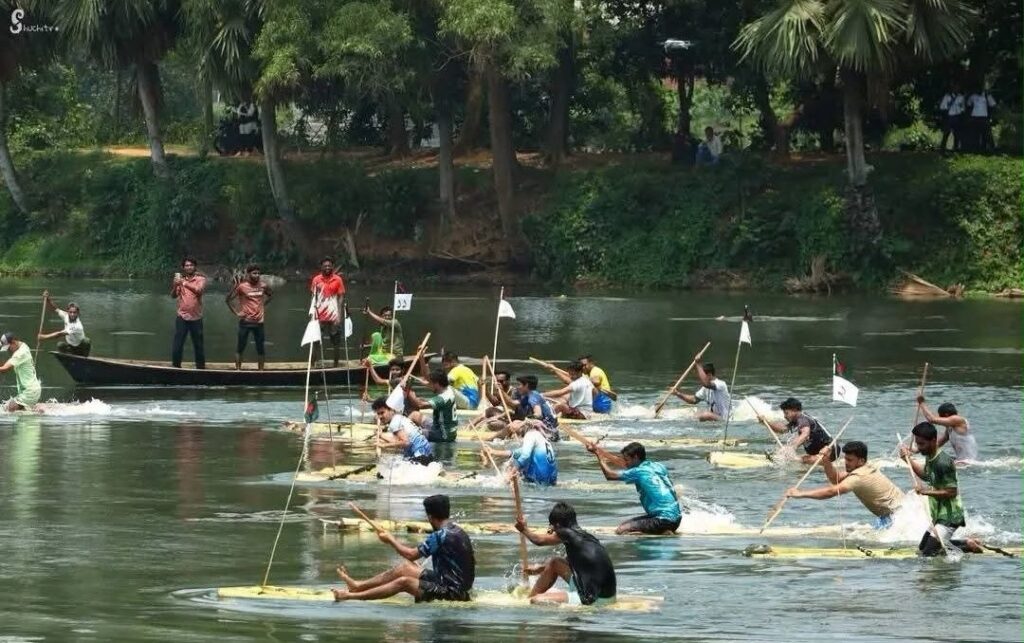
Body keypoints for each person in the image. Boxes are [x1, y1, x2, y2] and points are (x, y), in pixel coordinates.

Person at [332, 495, 475, 602]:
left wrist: (390, 540)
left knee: (404, 582)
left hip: (453, 592)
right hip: (449, 582)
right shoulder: (458, 531)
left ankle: (351, 596)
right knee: (405, 568)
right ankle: (358, 585)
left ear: (430, 517)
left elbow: (411, 554)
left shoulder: (440, 535)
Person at [515, 502, 616, 606]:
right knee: (555, 562)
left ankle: (531, 600)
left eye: (552, 528)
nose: (551, 531)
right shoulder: (586, 538)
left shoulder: (566, 532)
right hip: (607, 595)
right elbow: (571, 562)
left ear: (558, 525)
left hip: (594, 599)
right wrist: (539, 569)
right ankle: (530, 597)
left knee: (536, 601)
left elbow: (539, 541)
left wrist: (523, 529)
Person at [785, 441, 904, 529]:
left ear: (861, 461)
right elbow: (835, 479)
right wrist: (826, 460)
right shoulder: (866, 466)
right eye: (845, 459)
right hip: (897, 512)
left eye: (850, 460)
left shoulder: (858, 477)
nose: (846, 463)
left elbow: (832, 491)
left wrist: (800, 494)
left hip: (900, 516)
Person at [901, 422, 976, 557]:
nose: (919, 447)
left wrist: (925, 491)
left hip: (950, 515)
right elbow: (926, 475)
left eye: (922, 444)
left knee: (928, 553)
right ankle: (967, 543)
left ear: (934, 440)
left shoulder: (943, 462)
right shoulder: (931, 457)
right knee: (923, 548)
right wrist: (907, 460)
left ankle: (968, 547)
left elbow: (951, 492)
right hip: (939, 514)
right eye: (917, 443)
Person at [588, 441, 681, 534]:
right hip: (676, 518)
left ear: (636, 457)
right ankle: (663, 529)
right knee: (625, 524)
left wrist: (597, 454)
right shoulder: (658, 466)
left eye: (627, 460)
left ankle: (663, 532)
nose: (625, 463)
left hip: (663, 519)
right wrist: (599, 452)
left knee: (621, 530)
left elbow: (609, 475)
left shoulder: (638, 472)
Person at [762, 397, 838, 464]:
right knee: (802, 459)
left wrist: (791, 448)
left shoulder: (803, 419)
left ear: (794, 410)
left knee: (802, 460)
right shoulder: (796, 421)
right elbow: (783, 429)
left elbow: (805, 434)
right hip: (819, 453)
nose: (785, 416)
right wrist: (766, 423)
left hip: (830, 451)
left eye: (786, 413)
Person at [482, 418, 557, 485]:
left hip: (539, 479)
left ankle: (504, 481)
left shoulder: (531, 434)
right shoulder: (540, 439)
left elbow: (525, 456)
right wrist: (493, 452)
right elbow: (516, 453)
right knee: (516, 459)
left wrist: (511, 473)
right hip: (551, 480)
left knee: (515, 463)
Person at [225, 264, 272, 370]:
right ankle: (238, 370)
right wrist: (236, 312)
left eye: (258, 273)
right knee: (240, 347)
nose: (257, 275)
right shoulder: (242, 287)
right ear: (248, 274)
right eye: (254, 273)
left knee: (260, 348)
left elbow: (270, 295)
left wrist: (262, 305)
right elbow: (228, 300)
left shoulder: (263, 285)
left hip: (259, 322)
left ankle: (261, 371)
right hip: (245, 322)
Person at [372, 397, 433, 465]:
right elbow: (398, 441)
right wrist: (381, 435)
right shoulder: (398, 418)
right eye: (378, 414)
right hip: (427, 455)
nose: (380, 416)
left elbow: (406, 442)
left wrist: (384, 445)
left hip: (420, 457)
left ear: (391, 410)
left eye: (382, 413)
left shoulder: (395, 423)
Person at [171, 257, 207, 369]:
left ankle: (200, 368)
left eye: (191, 265)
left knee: (198, 346)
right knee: (177, 345)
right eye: (186, 265)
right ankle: (176, 367)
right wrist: (176, 285)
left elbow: (199, 290)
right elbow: (173, 296)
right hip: (182, 317)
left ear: (195, 267)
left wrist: (184, 283)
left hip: (196, 318)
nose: (189, 267)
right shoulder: (181, 280)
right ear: (183, 268)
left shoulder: (200, 279)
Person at [918, 397, 977, 464]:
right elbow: (938, 443)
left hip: (968, 462)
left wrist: (922, 403)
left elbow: (932, 419)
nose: (940, 419)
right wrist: (916, 450)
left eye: (941, 417)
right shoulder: (950, 428)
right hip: (960, 460)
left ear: (946, 415)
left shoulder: (957, 419)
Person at [310, 257, 346, 367]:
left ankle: (336, 365)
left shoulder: (338, 279)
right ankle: (312, 365)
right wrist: (312, 314)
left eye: (329, 266)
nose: (327, 268)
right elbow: (313, 297)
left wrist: (339, 315)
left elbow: (341, 298)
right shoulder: (316, 280)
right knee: (315, 341)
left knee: (336, 342)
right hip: (319, 315)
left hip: (333, 315)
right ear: (321, 267)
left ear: (333, 267)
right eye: (325, 266)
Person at [406, 370, 459, 443]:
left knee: (410, 433)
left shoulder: (442, 399)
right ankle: (401, 429)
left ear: (437, 384)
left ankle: (399, 432)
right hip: (444, 429)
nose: (430, 385)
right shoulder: (448, 389)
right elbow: (432, 386)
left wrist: (408, 392)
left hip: (443, 434)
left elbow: (420, 405)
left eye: (431, 383)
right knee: (414, 414)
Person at [37, 290, 91, 357]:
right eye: (70, 312)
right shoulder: (66, 316)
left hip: (80, 347)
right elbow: (55, 309)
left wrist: (43, 337)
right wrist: (48, 299)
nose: (72, 314)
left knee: (86, 341)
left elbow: (59, 334)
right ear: (68, 311)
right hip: (70, 346)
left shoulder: (77, 325)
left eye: (74, 312)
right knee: (60, 345)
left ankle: (84, 358)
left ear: (78, 313)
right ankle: (70, 356)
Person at [0, 332, 42, 412]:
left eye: (8, 348)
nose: (8, 350)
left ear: (13, 342)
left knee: (8, 409)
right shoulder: (22, 345)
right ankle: (38, 411)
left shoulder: (20, 354)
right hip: (31, 390)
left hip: (29, 391)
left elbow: (4, 369)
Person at [966, 88, 996, 152]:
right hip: (975, 117)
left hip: (984, 117)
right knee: (975, 133)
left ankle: (988, 148)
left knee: (986, 134)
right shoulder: (973, 96)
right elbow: (968, 105)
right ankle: (975, 148)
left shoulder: (986, 96)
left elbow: (993, 104)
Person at [937, 84, 966, 153]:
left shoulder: (961, 97)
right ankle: (942, 150)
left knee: (957, 134)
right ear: (952, 89)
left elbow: (963, 108)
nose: (956, 89)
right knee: (946, 134)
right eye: (955, 88)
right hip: (949, 117)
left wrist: (960, 108)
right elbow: (942, 107)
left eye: (958, 88)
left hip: (957, 116)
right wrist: (948, 105)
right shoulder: (947, 97)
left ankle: (955, 149)